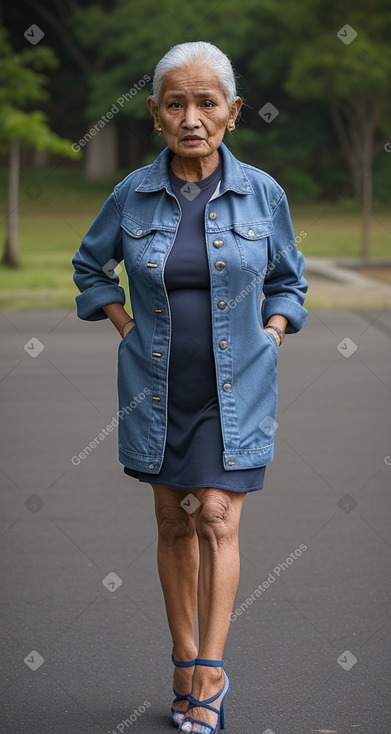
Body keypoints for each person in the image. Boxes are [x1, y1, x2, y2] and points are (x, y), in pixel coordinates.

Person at [72, 41, 308, 734]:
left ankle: (209, 671)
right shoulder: (132, 195)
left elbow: (290, 278)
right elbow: (91, 268)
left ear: (232, 113)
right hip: (157, 389)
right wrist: (123, 326)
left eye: (207, 103)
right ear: (154, 113)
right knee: (174, 520)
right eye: (175, 103)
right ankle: (180, 659)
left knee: (215, 515)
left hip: (237, 390)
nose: (192, 117)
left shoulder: (263, 193)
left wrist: (273, 330)